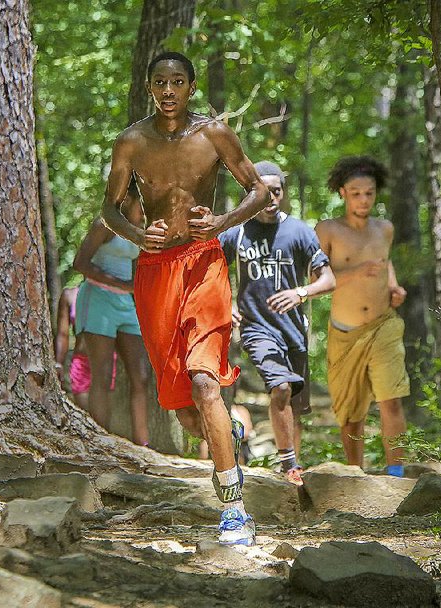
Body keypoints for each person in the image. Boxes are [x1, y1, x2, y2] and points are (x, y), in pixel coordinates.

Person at [100, 51, 269, 545]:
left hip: (203, 262)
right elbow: (109, 209)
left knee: (205, 381)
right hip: (155, 273)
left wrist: (222, 222)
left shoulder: (214, 133)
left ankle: (234, 509)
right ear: (149, 88)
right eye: (160, 82)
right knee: (184, 407)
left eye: (178, 81)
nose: (168, 89)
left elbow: (257, 190)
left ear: (192, 87)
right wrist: (135, 233)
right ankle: (229, 439)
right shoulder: (131, 142)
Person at [219, 161, 336, 486]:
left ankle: (292, 474)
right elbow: (209, 273)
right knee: (280, 388)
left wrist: (301, 292)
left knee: (294, 404)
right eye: (263, 191)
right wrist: (225, 304)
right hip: (256, 329)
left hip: (294, 331)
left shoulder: (299, 231)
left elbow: (328, 279)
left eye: (276, 191)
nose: (271, 197)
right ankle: (289, 465)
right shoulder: (235, 232)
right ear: (250, 193)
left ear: (282, 193)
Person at [314, 156, 409, 477]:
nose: (363, 200)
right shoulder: (327, 230)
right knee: (351, 414)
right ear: (342, 192)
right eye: (356, 193)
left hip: (383, 325)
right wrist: (355, 271)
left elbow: (385, 263)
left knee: (391, 401)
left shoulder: (384, 229)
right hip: (345, 332)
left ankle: (396, 474)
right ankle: (356, 475)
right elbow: (316, 280)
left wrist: (395, 287)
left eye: (369, 193)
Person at [71, 195, 151, 447]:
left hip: (126, 305)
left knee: (141, 375)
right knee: (102, 375)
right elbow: (80, 263)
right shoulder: (105, 225)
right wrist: (119, 284)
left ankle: (142, 445)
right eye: (143, 201)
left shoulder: (143, 231)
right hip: (98, 300)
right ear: (128, 199)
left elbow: (138, 270)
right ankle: (101, 443)